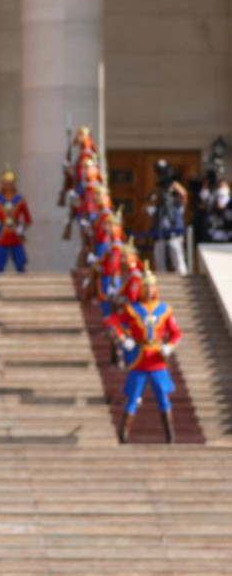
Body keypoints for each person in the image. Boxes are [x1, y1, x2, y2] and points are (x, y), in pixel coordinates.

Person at [106, 271, 183, 444]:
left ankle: (170, 436)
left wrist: (169, 346)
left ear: (156, 288)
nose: (148, 290)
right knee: (133, 397)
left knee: (162, 397)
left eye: (151, 287)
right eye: (145, 287)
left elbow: (176, 333)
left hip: (157, 358)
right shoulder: (132, 309)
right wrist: (123, 339)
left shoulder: (165, 309)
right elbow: (112, 321)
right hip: (139, 358)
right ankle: (123, 435)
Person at [144, 159, 189, 276]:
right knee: (159, 261)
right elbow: (147, 207)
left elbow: (183, 194)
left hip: (174, 233)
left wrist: (173, 184)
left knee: (178, 259)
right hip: (159, 233)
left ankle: (183, 278)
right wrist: (157, 195)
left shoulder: (177, 204)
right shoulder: (157, 199)